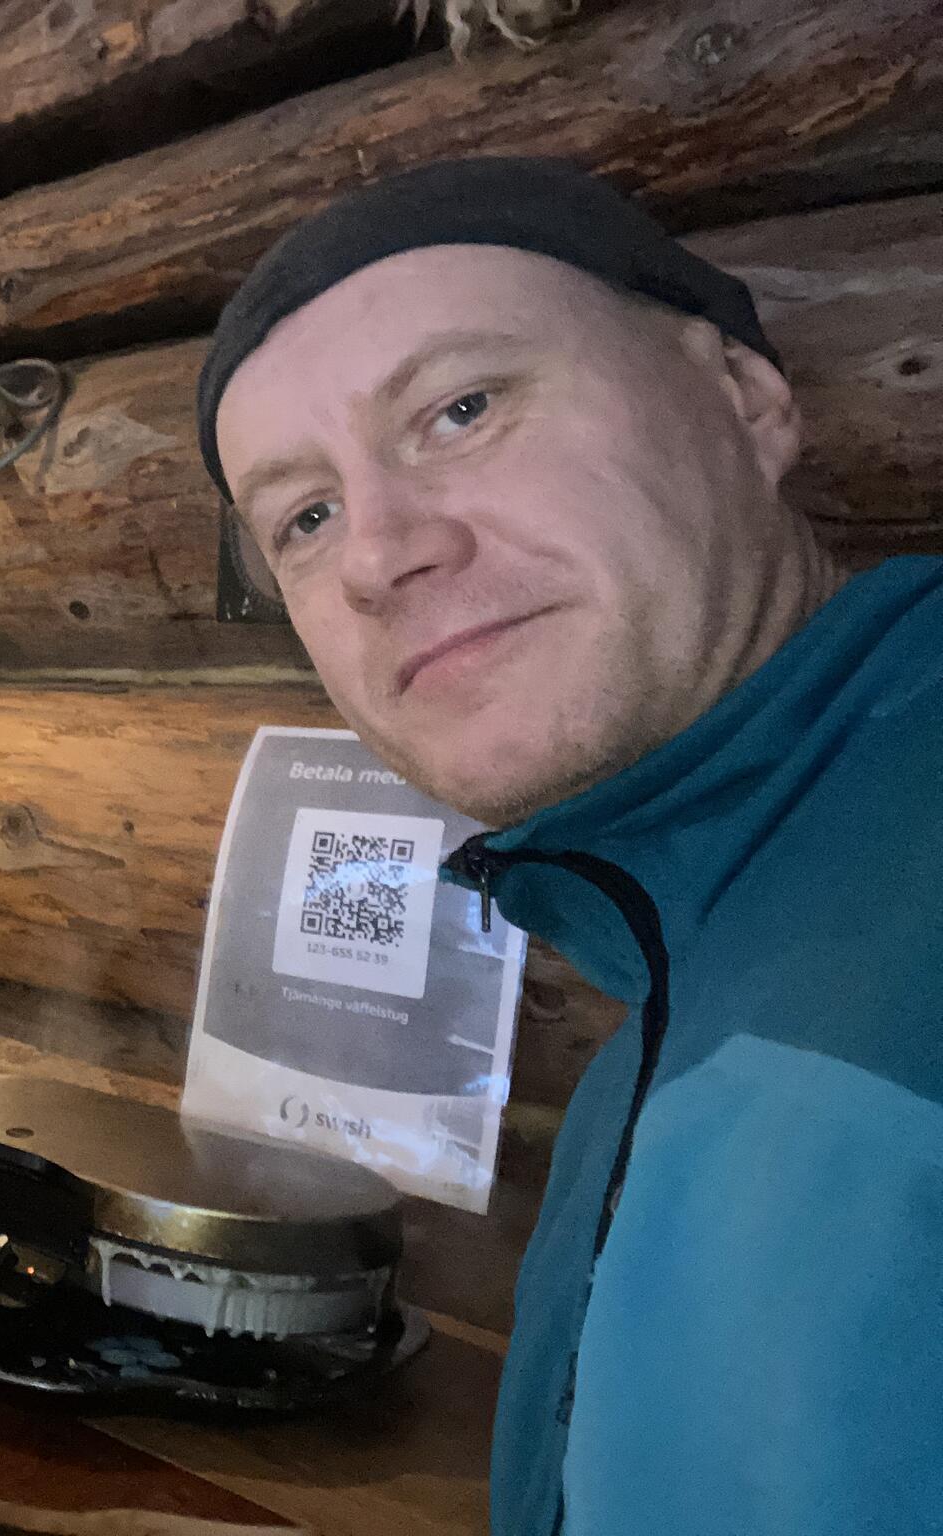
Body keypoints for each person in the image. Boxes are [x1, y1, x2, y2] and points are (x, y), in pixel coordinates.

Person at [196, 157, 941, 1535]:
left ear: (744, 395)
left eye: (461, 410)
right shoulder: (663, 983)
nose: (374, 557)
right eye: (304, 516)